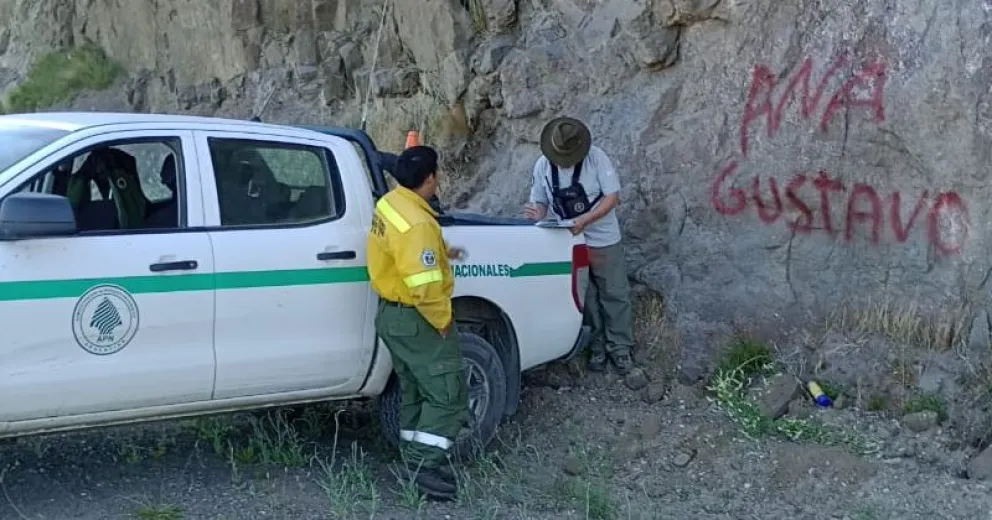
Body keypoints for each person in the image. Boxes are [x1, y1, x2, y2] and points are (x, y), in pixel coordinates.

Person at [366, 145, 468, 501]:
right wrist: (442, 321)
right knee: (447, 395)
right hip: (417, 318)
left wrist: (442, 251)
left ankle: (412, 455)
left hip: (391, 315)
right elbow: (424, 287)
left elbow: (404, 252)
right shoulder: (418, 224)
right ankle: (423, 468)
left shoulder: (391, 203)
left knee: (415, 389)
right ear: (430, 179)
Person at [522, 117, 636, 376]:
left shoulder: (597, 159)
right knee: (586, 298)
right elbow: (540, 203)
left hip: (604, 239)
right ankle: (595, 347)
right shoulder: (542, 166)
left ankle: (620, 348)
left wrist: (586, 220)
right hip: (570, 242)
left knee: (615, 294)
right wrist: (536, 213)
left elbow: (612, 197)